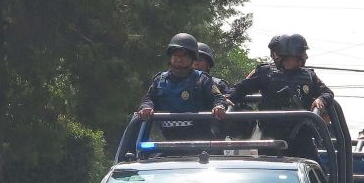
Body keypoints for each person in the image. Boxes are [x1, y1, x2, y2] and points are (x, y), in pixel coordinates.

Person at [231, 33, 332, 161]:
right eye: (302, 51)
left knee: (317, 173)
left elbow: (327, 93)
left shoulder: (310, 76)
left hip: (301, 139)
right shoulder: (265, 73)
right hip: (271, 138)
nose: (306, 56)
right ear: (293, 52)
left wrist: (321, 99)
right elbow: (238, 89)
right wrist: (225, 101)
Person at [139, 33, 227, 139]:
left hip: (201, 145)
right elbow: (148, 98)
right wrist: (146, 107)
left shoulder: (203, 80)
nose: (178, 59)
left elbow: (218, 98)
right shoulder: (159, 80)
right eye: (175, 55)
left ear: (192, 58)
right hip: (167, 145)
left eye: (183, 56)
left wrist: (219, 106)